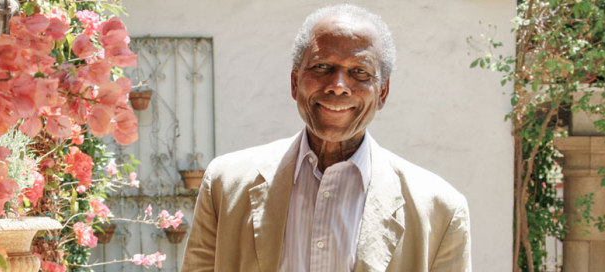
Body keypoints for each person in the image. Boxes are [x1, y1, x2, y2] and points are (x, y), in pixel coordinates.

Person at [182, 4, 471, 272]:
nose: (338, 86)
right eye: (322, 67)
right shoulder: (225, 184)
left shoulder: (440, 210)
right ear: (295, 83)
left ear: (382, 93)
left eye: (359, 72)